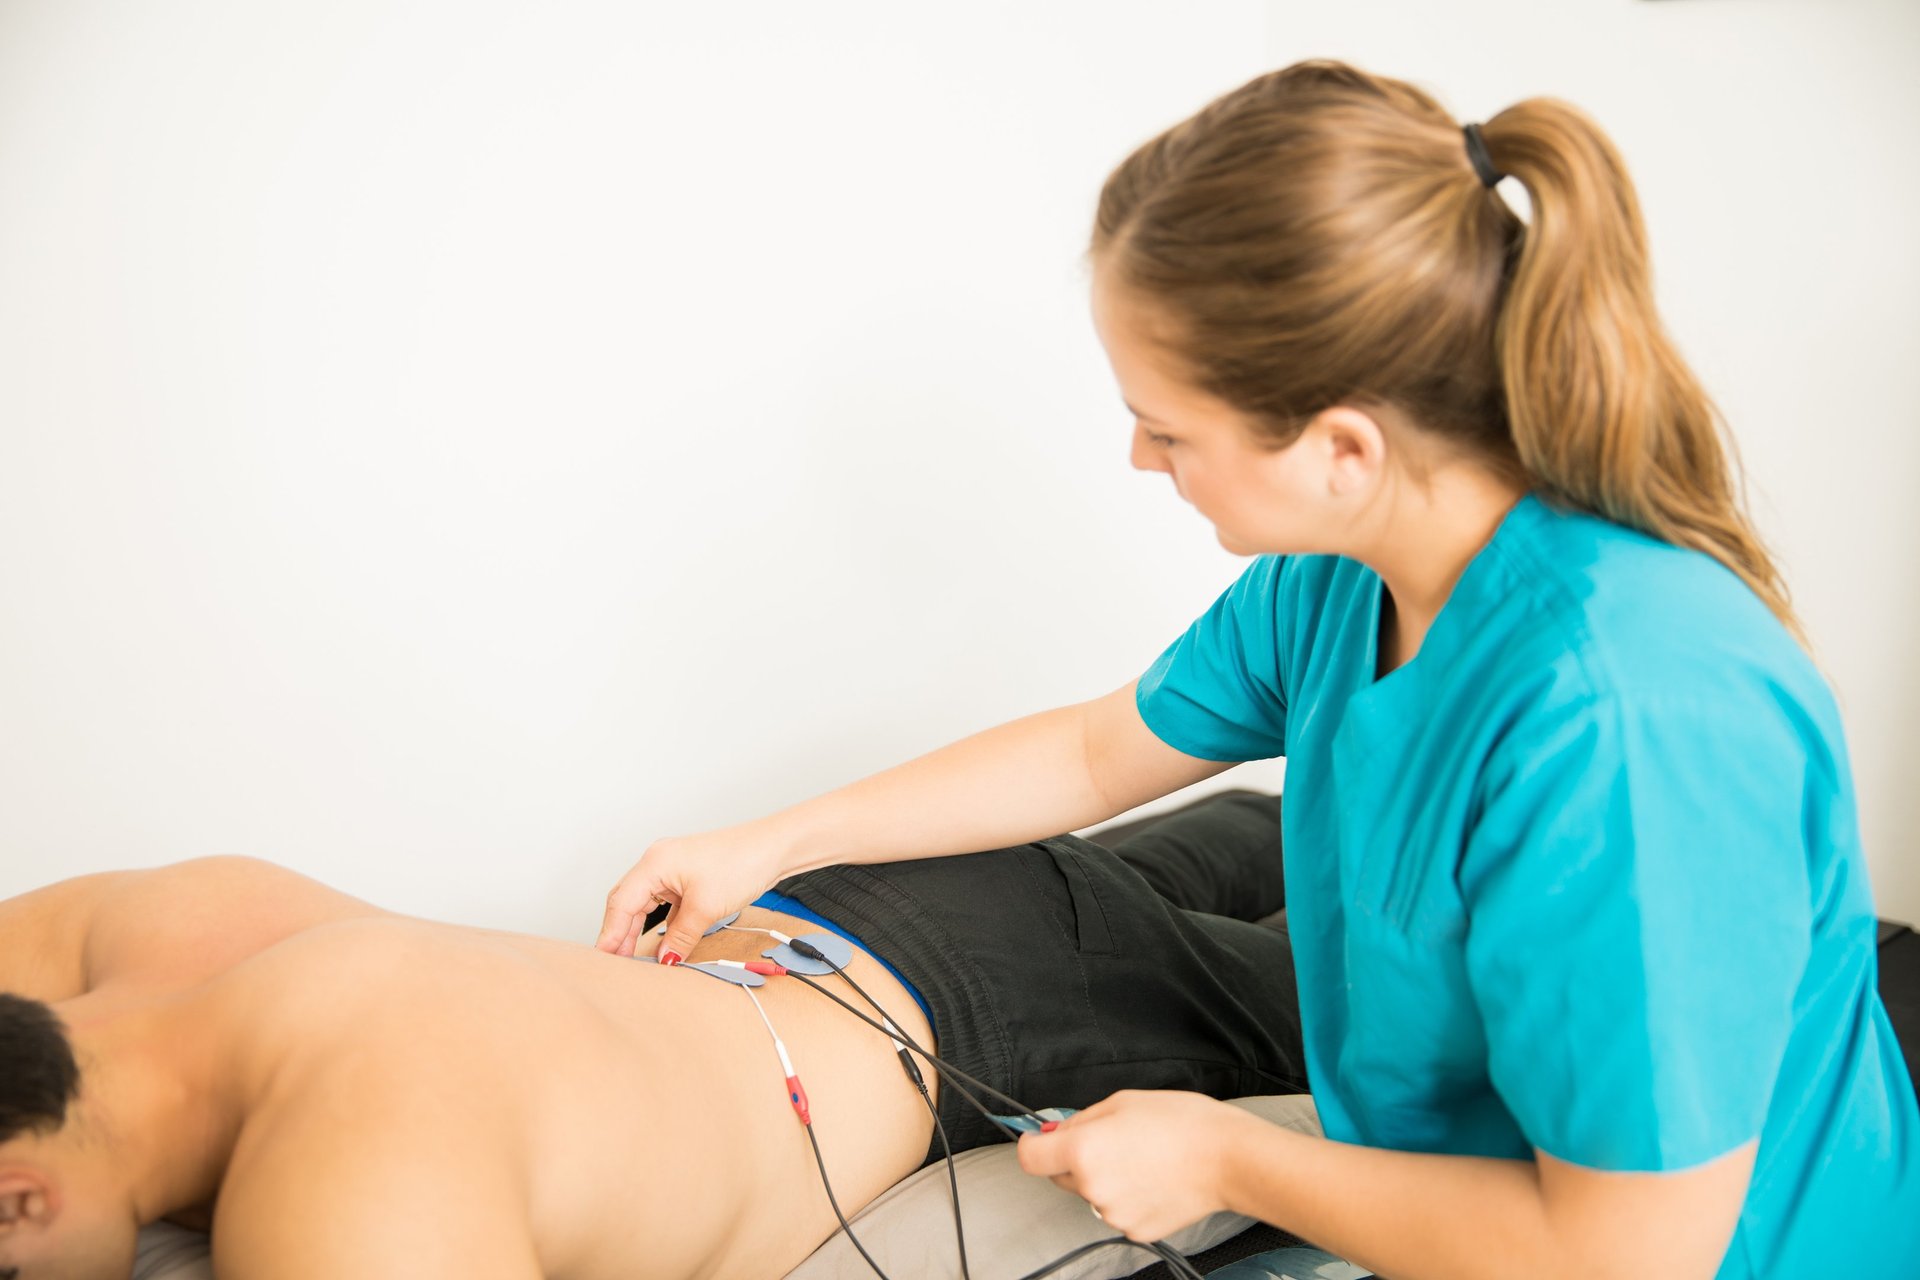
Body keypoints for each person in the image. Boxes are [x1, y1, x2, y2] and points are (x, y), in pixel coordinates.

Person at [596, 58, 1920, 1279]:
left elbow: (1623, 1254)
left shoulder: (1632, 720)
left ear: (1341, 447)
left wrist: (1226, 1156)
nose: (1139, 461)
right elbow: (1092, 752)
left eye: (1166, 429)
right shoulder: (1345, 578)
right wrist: (766, 843)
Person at [0, 793, 1304, 1279]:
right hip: (837, 909)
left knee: (1375, 991)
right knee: (1251, 843)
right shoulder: (141, 929)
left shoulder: (341, 1210)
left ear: (19, 1200)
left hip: (987, 1014)